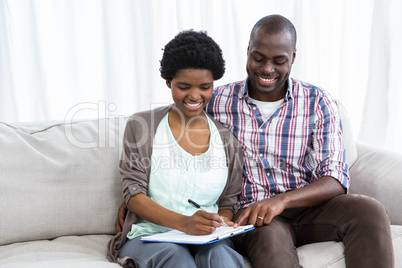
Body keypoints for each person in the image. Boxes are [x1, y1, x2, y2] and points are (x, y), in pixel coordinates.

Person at [116, 15, 394, 267]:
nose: (267, 68)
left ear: (293, 57)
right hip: (254, 216)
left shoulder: (317, 101)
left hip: (309, 207)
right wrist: (138, 197)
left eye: (279, 60)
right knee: (271, 247)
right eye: (258, 57)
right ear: (247, 52)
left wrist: (281, 201)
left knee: (368, 210)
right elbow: (176, 126)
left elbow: (335, 177)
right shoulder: (217, 99)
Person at [107, 30, 245, 268]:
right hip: (151, 235)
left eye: (204, 86)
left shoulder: (227, 140)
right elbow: (133, 195)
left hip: (206, 239)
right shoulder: (141, 127)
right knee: (177, 259)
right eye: (183, 86)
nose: (195, 95)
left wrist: (215, 224)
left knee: (221, 258)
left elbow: (228, 203)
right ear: (168, 81)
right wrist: (183, 224)